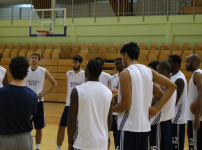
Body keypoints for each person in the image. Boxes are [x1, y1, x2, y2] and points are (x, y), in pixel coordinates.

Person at [113, 42, 176, 150]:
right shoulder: (148, 71)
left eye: (122, 56)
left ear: (126, 55)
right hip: (145, 128)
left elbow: (125, 105)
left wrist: (108, 109)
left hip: (129, 127)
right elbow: (171, 86)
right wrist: (157, 108)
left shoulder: (125, 73)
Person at [68, 59, 113, 150]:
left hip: (82, 142)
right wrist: (105, 136)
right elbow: (109, 120)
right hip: (102, 143)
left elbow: (72, 119)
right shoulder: (108, 92)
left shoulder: (77, 90)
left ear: (87, 71)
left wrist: (70, 142)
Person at [0, 56, 38, 149]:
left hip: (5, 139)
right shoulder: (33, 95)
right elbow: (31, 116)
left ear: (10, 70)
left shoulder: (1, 93)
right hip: (25, 139)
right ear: (27, 71)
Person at [25, 52, 58, 150]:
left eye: (36, 58)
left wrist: (44, 93)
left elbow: (54, 83)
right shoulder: (25, 71)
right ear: (30, 59)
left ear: (39, 60)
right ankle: (27, 145)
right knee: (25, 126)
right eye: (32, 57)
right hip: (27, 102)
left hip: (38, 102)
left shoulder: (43, 71)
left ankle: (38, 148)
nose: (34, 59)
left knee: (38, 127)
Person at [56, 55, 85, 150]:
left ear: (81, 63)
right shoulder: (68, 74)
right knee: (61, 127)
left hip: (80, 105)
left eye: (76, 62)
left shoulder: (85, 74)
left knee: (76, 128)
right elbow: (68, 89)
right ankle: (58, 148)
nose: (73, 64)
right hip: (68, 105)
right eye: (73, 62)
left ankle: (74, 146)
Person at [150, 62, 177, 150]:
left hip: (159, 123)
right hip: (168, 122)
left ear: (164, 71)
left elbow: (152, 103)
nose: (156, 73)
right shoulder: (172, 84)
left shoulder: (162, 86)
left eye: (157, 70)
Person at [167, 55, 187, 150]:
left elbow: (174, 101)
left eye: (169, 62)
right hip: (171, 116)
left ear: (175, 65)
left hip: (177, 117)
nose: (167, 64)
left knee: (176, 146)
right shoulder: (172, 76)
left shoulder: (179, 79)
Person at [186, 54, 202, 150]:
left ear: (194, 62)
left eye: (187, 62)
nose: (185, 64)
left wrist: (197, 117)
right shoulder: (198, 74)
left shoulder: (197, 74)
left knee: (194, 146)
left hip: (194, 118)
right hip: (196, 117)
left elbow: (201, 94)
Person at [111, 58, 123, 148]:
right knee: (115, 133)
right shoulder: (113, 77)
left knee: (120, 132)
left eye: (118, 63)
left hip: (122, 109)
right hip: (114, 110)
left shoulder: (127, 76)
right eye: (115, 64)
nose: (116, 66)